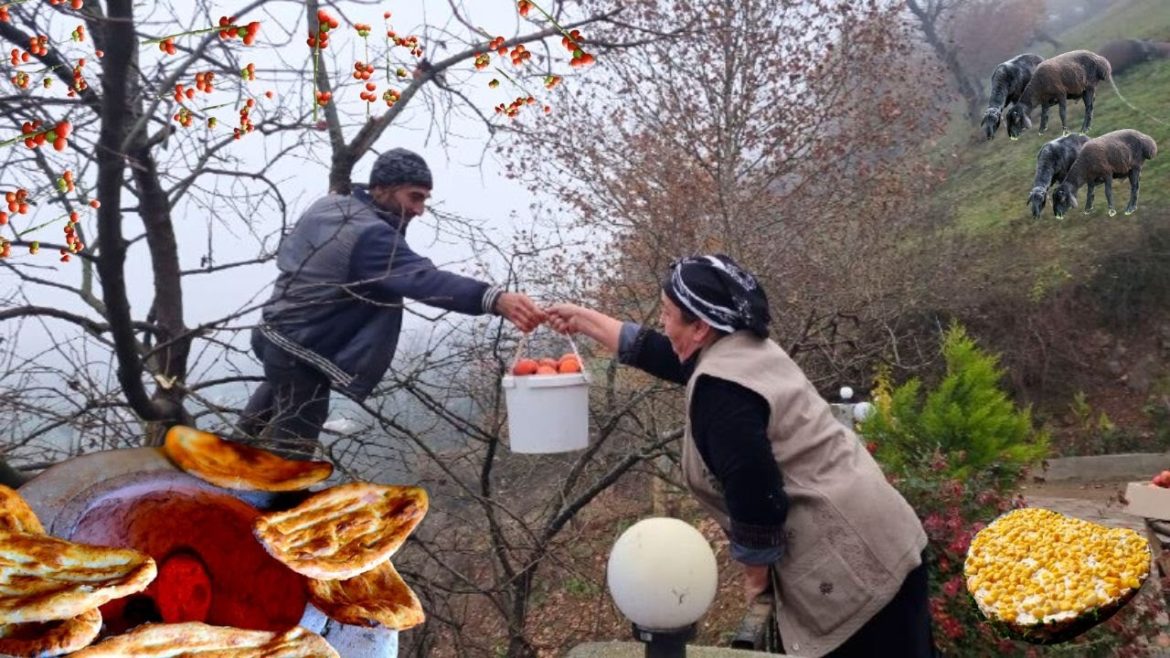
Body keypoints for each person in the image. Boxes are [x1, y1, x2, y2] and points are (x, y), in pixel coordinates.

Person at [546, 254, 934, 658]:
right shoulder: (746, 347)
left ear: (700, 327)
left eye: (667, 314)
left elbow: (755, 491)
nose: (662, 322)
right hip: (885, 532)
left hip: (852, 567)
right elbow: (665, 353)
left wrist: (756, 574)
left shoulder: (721, 393)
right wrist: (583, 320)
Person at [239, 148, 545, 457]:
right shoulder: (370, 235)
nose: (420, 209)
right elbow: (424, 280)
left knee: (251, 430)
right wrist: (495, 299)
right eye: (414, 197)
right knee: (292, 456)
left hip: (272, 333)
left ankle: (211, 472)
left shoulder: (330, 206)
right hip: (301, 351)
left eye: (424, 199)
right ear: (381, 188)